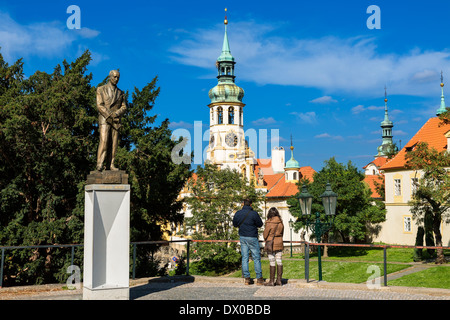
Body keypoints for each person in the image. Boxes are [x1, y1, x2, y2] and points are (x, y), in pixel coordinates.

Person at [96, 70, 127, 171]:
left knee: (114, 144)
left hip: (116, 120)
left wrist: (116, 114)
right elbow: (99, 105)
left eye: (118, 77)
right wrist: (109, 115)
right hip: (105, 119)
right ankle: (100, 164)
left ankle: (111, 164)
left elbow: (124, 107)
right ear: (109, 77)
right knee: (104, 141)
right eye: (114, 77)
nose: (116, 79)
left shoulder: (121, 93)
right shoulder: (101, 89)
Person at [233, 199, 264, 285]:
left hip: (243, 237)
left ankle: (247, 278)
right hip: (252, 237)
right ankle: (259, 279)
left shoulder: (238, 213)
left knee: (245, 258)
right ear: (251, 204)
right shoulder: (254, 213)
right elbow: (260, 224)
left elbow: (235, 224)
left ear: (243, 204)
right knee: (256, 258)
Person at [263, 207, 284, 286]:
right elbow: (282, 233)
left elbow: (265, 234)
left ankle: (271, 281)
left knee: (272, 261)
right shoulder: (280, 222)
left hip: (270, 243)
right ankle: (279, 280)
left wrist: (267, 238)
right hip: (279, 242)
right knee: (279, 261)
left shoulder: (269, 222)